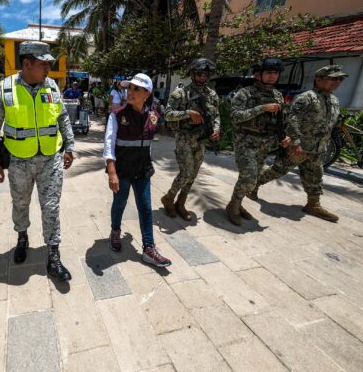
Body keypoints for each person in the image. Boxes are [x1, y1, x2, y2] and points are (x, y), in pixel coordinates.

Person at [0, 41, 75, 281]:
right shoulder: (4, 89)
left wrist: (69, 147)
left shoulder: (52, 86)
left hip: (50, 159)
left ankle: (53, 255)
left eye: (48, 63)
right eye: (43, 63)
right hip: (18, 161)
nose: (48, 68)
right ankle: (22, 236)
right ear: (26, 63)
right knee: (20, 204)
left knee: (51, 207)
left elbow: (63, 117)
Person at [249, 65, 347, 222]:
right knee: (278, 170)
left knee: (315, 176)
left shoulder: (334, 100)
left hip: (318, 148)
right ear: (319, 80)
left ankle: (313, 204)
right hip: (299, 147)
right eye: (333, 79)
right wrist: (295, 143)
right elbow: (292, 121)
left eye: (340, 79)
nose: (337, 82)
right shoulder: (306, 98)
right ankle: (253, 185)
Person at [104, 74, 171, 267]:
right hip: (122, 170)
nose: (130, 92)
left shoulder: (153, 116)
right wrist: (112, 172)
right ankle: (115, 231)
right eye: (129, 88)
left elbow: (147, 145)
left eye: (136, 89)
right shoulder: (117, 114)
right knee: (120, 203)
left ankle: (149, 248)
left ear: (147, 93)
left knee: (145, 207)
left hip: (142, 170)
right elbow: (109, 143)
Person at [226, 58, 290, 226]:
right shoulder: (245, 93)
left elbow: (280, 121)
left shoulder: (277, 95)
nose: (272, 76)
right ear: (258, 74)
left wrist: (284, 137)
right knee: (248, 177)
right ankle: (233, 205)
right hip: (245, 142)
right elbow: (234, 117)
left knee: (253, 179)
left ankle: (237, 203)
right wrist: (262, 108)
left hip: (265, 144)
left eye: (275, 73)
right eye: (268, 72)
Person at [160, 58, 221, 220]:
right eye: (200, 73)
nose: (203, 77)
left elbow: (216, 115)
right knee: (186, 173)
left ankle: (181, 203)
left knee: (193, 174)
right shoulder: (180, 93)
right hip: (184, 138)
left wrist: (216, 129)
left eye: (206, 74)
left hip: (201, 140)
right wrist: (188, 113)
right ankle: (169, 198)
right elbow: (167, 114)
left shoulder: (212, 95)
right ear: (192, 73)